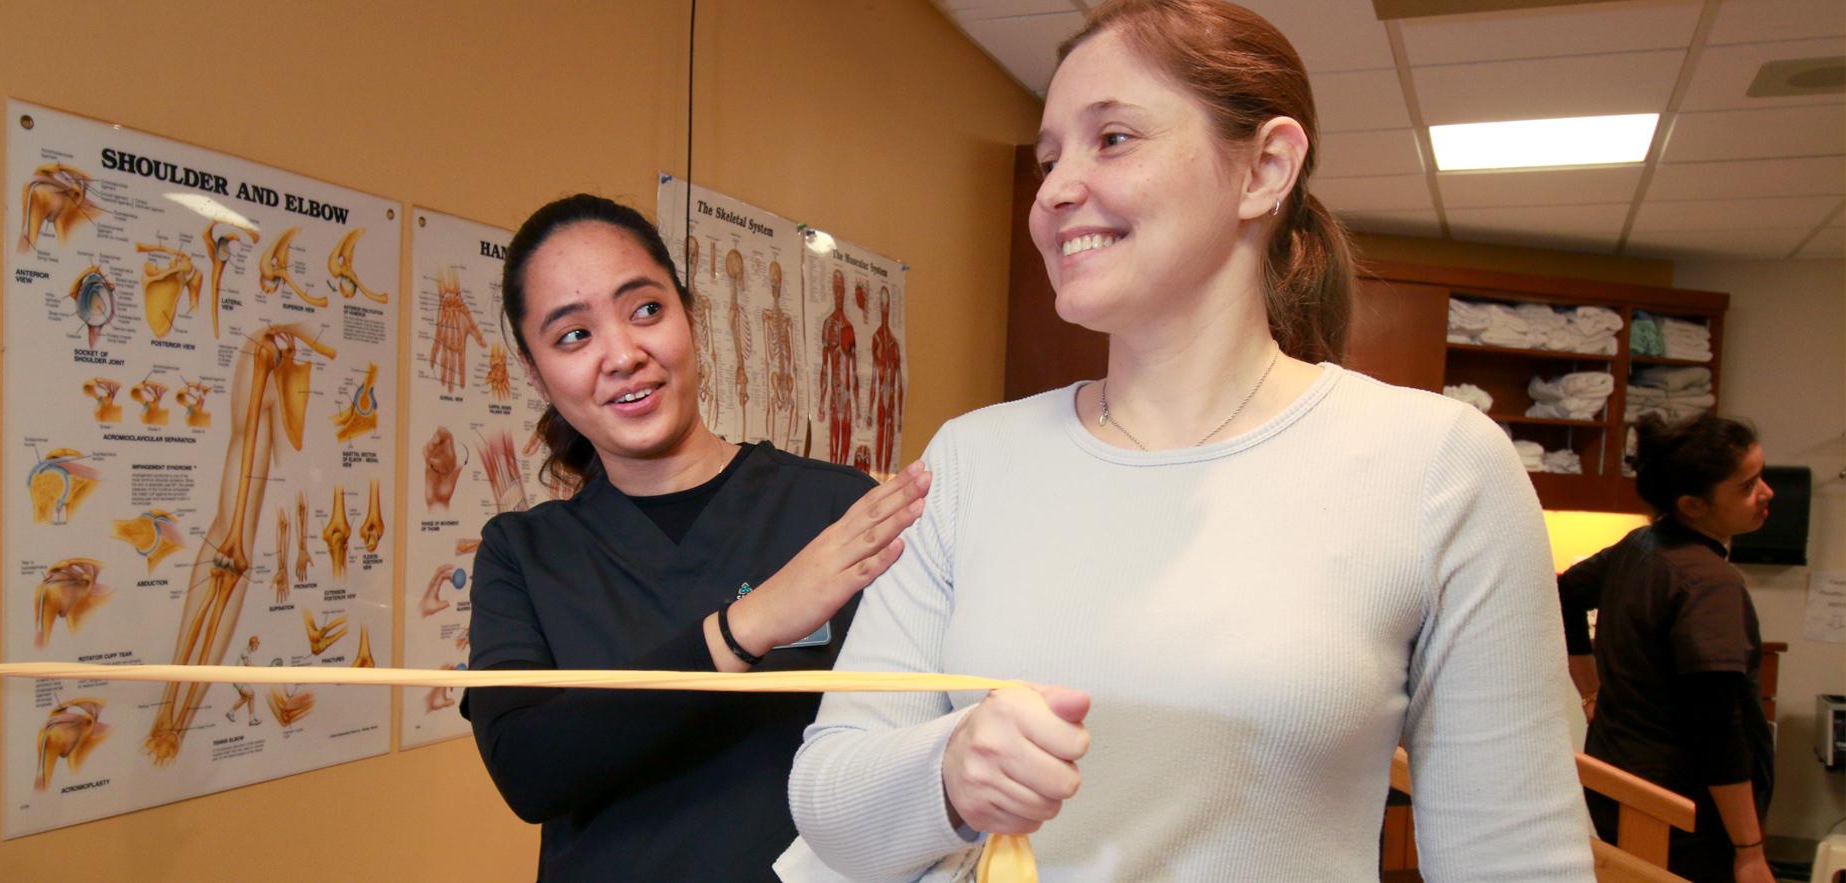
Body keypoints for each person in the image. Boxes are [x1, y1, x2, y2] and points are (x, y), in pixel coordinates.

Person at [780, 2, 1592, 879]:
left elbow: (1515, 854)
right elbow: (831, 800)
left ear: (1264, 168)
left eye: (1114, 139)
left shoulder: (1439, 467)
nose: (1053, 189)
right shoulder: (970, 459)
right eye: (1050, 157)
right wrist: (945, 774)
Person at [462, 194, 931, 881]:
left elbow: (918, 746)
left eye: (646, 309)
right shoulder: (522, 554)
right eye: (573, 335)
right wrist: (746, 626)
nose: (623, 354)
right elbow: (530, 772)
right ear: (536, 373)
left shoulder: (839, 509)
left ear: (690, 316)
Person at [1561, 414, 1777, 883]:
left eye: (1761, 476)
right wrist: (1749, 849)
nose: (1766, 493)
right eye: (1746, 486)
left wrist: (1590, 692)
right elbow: (1717, 726)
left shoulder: (1642, 545)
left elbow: (1564, 594)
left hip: (1618, 782)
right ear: (1692, 505)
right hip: (1678, 811)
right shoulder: (1708, 583)